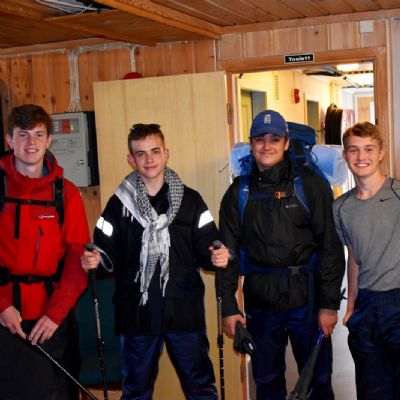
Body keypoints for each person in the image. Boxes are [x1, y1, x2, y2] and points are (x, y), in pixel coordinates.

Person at [81, 123, 229, 400]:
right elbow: (104, 252)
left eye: (155, 151)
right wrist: (95, 259)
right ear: (131, 159)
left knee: (201, 388)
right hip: (137, 314)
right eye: (141, 154)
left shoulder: (191, 201)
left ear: (166, 154)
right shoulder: (118, 205)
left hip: (184, 311)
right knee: (136, 392)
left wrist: (218, 255)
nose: (149, 159)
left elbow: (209, 247)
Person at [219, 110, 345, 400]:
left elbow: (330, 247)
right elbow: (227, 254)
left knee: (316, 382)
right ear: (251, 143)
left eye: (275, 139)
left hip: (307, 301)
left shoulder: (310, 185)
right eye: (260, 139)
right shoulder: (239, 191)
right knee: (267, 383)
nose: (267, 145)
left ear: (287, 143)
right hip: (260, 303)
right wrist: (229, 307)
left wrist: (328, 305)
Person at [0, 104, 90, 400]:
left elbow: (78, 261)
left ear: (49, 140)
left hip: (51, 320)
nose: (31, 142)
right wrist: (2, 306)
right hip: (5, 318)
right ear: (10, 140)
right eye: (23, 134)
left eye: (39, 134)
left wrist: (54, 315)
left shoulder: (66, 194)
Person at [333, 122, 400, 400]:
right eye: (354, 150)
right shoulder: (341, 207)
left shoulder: (397, 193)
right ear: (345, 155)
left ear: (381, 153)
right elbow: (354, 257)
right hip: (367, 307)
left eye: (369, 149)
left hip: (397, 299)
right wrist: (351, 305)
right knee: (372, 390)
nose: (361, 157)